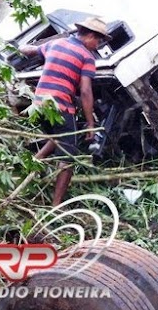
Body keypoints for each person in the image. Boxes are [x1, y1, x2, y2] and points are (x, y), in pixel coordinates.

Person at [19, 17, 111, 206]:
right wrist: (91, 125)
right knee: (68, 157)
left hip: (39, 104)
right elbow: (85, 91)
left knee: (57, 137)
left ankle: (30, 167)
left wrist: (18, 48)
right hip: (59, 105)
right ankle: (56, 207)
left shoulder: (56, 43)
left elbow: (29, 50)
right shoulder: (87, 57)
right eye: (99, 40)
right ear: (91, 36)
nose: (98, 45)